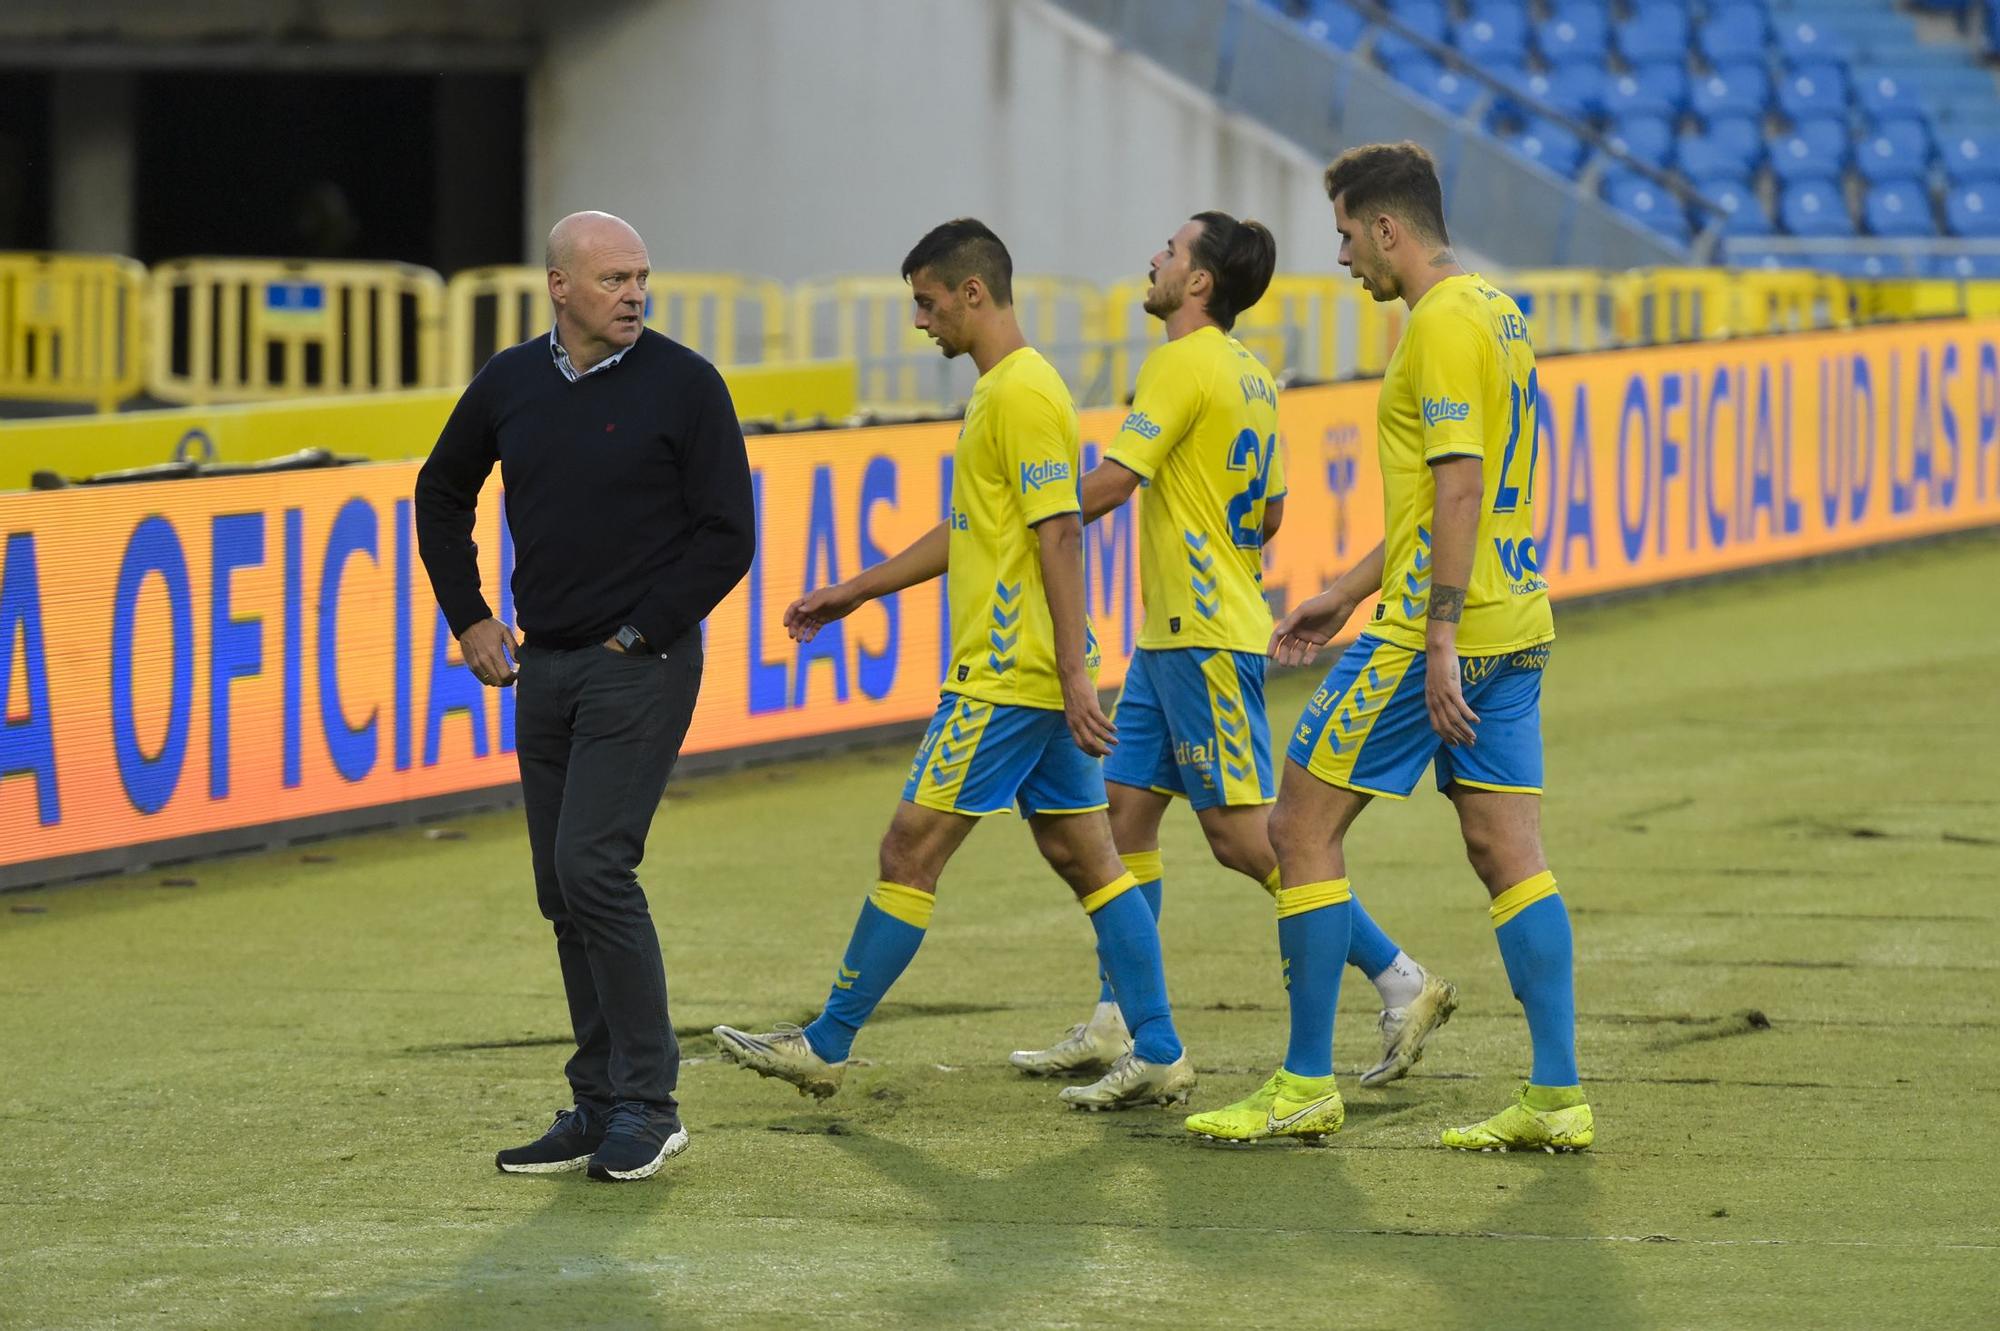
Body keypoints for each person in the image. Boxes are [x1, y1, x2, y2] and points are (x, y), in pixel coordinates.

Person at [712, 219, 1195, 1112]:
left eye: (928, 303)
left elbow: (1058, 529)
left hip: (1009, 674)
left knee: (910, 847)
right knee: (1087, 856)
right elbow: (980, 527)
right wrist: (858, 589)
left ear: (974, 293)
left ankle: (825, 1044)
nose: (921, 322)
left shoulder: (1020, 394)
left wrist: (1072, 672)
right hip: (1035, 673)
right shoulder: (1006, 392)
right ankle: (1159, 1048)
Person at [1006, 213, 1458, 1114]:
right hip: (1175, 637)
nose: (1155, 256)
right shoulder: (1252, 372)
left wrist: (1018, 509)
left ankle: (1402, 978)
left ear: (1201, 281)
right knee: (1123, 822)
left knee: (1249, 840)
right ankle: (1119, 1020)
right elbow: (1276, 510)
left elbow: (1111, 485)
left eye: (1170, 250)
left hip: (1202, 634)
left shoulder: (1181, 362)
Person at [1199, 143, 1589, 1150]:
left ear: (1385, 228)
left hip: (1440, 631)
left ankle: (1301, 1080)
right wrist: (1337, 590)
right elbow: (1439, 497)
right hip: (1516, 617)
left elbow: (1457, 485)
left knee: (1296, 824)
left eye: (1340, 233)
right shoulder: (1496, 311)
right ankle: (1556, 1094)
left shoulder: (1439, 324)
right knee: (1507, 850)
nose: (1338, 257)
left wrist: (1437, 635)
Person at [414, 210, 756, 1181]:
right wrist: (469, 615)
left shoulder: (686, 384)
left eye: (642, 276)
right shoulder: (510, 382)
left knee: (594, 866)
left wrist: (643, 628)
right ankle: (601, 1100)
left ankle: (650, 1103)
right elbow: (440, 489)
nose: (635, 294)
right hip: (542, 663)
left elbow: (728, 533)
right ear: (558, 287)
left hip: (637, 663)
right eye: (613, 279)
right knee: (562, 889)